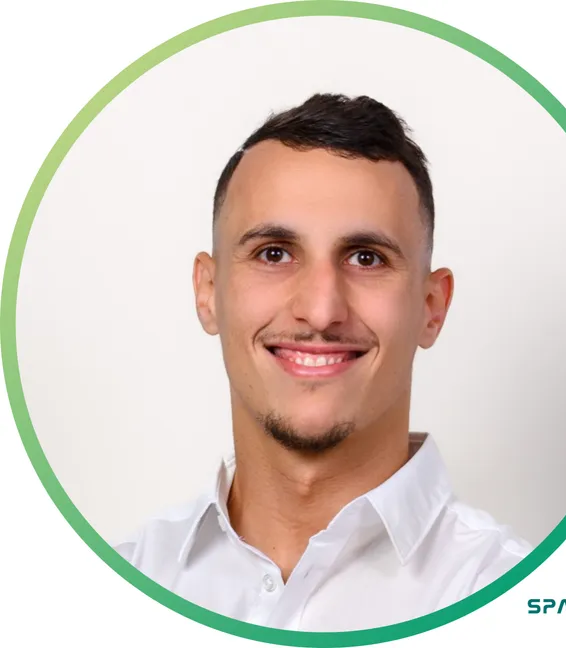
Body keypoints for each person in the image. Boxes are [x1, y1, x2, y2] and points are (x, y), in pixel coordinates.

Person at [114, 92, 532, 631]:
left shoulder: (518, 603)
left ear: (432, 308)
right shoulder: (113, 590)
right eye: (274, 253)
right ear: (208, 292)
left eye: (366, 258)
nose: (320, 310)